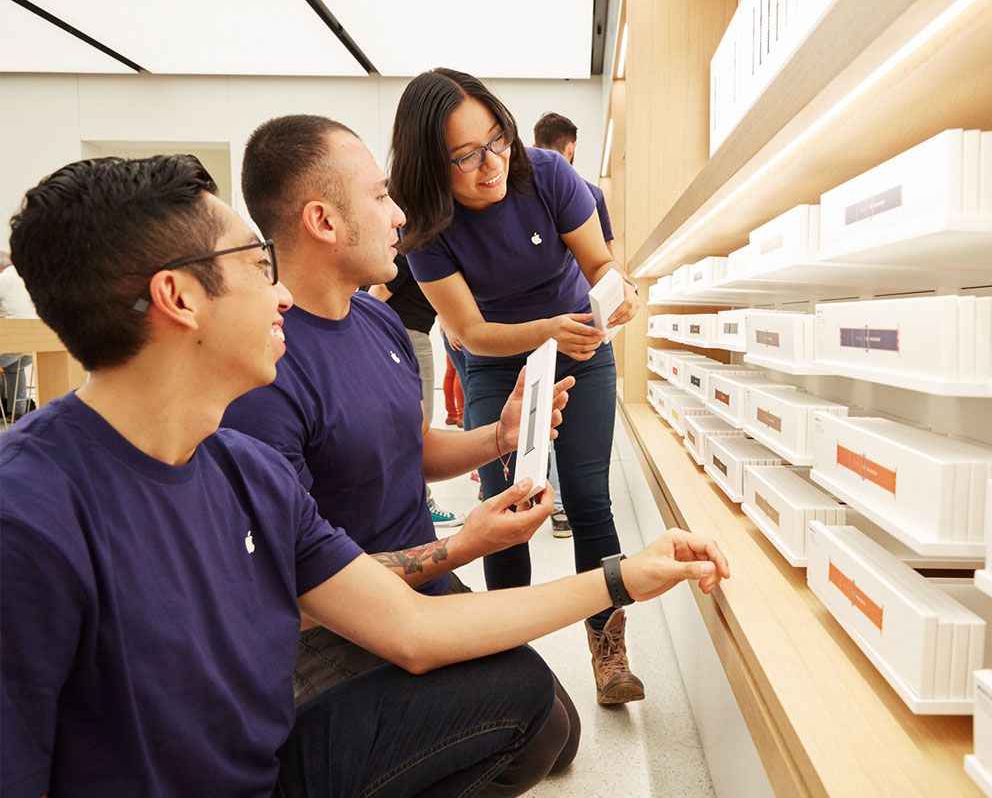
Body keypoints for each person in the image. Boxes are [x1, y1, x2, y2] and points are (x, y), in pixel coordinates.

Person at [0, 153, 730, 796]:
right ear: (179, 298)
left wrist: (624, 576)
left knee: (523, 694)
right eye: (258, 269)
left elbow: (410, 625)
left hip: (267, 766)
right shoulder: (30, 517)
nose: (279, 293)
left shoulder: (243, 470)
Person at [225, 113, 584, 779]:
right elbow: (300, 591)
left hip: (428, 581)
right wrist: (468, 542)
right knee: (534, 730)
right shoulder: (267, 371)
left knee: (560, 734)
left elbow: (409, 445)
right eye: (381, 195)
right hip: (343, 620)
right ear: (323, 221)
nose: (400, 217)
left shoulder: (376, 318)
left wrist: (498, 437)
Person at [390, 69, 647, 705]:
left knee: (588, 497)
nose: (491, 164)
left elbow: (600, 263)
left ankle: (608, 653)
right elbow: (471, 332)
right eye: (465, 156)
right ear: (431, 165)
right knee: (506, 504)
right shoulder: (425, 227)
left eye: (497, 139)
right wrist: (543, 333)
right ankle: (508, 666)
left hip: (580, 349)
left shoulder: (546, 174)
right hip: (497, 362)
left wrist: (621, 293)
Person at [532, 111, 618, 539]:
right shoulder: (590, 192)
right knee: (577, 452)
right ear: (571, 148)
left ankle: (547, 496)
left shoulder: (530, 188)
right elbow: (604, 261)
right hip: (578, 326)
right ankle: (562, 506)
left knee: (537, 435)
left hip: (568, 339)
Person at [369, 254, 465, 527]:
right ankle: (421, 503)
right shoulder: (408, 253)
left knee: (408, 425)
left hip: (405, 332)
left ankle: (414, 502)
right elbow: (376, 294)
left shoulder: (413, 253)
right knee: (419, 425)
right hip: (407, 334)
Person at [532, 112, 615, 256]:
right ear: (571, 148)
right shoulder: (593, 196)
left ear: (534, 148)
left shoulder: (519, 195)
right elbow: (607, 258)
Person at [0, 251, 37, 420]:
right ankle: (18, 411)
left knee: (10, 355)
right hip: (35, 346)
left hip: (13, 346)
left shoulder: (4, 279)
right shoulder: (28, 277)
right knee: (15, 367)